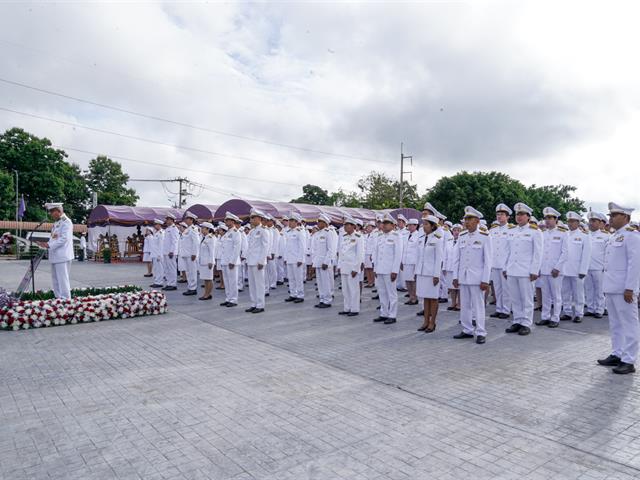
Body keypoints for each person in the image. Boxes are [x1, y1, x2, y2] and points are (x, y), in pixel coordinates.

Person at [597, 202, 640, 374]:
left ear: (626, 218)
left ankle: (629, 360)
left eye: (614, 215)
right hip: (611, 287)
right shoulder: (614, 236)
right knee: (615, 324)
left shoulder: (632, 236)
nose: (611, 218)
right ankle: (617, 353)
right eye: (610, 215)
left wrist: (630, 288)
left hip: (624, 289)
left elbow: (635, 264)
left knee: (629, 324)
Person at [452, 206, 493, 344]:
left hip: (477, 278)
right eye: (465, 219)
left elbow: (488, 261)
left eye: (469, 219)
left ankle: (481, 332)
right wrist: (455, 276)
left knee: (478, 306)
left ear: (477, 221)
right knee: (465, 305)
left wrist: (485, 280)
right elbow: (456, 258)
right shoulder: (462, 236)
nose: (466, 222)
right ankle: (467, 329)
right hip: (463, 277)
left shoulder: (485, 236)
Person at [503, 203, 543, 336]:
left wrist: (534, 270)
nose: (519, 217)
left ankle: (526, 323)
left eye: (522, 214)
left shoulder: (535, 231)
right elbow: (507, 251)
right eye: (517, 214)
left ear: (528, 217)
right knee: (515, 297)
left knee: (526, 298)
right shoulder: (511, 231)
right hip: (512, 269)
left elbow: (538, 253)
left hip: (526, 271)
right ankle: (517, 320)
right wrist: (505, 267)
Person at [536, 207, 567, 328]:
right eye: (546, 218)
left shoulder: (563, 233)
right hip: (544, 269)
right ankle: (545, 316)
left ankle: (555, 317)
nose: (547, 221)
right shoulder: (542, 234)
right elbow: (539, 253)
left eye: (550, 218)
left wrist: (558, 268)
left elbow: (565, 253)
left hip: (556, 271)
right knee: (546, 295)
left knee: (556, 295)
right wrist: (538, 268)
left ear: (556, 219)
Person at [561, 211, 591, 322]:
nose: (570, 223)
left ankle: (579, 313)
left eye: (573, 221)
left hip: (577, 269)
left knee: (578, 293)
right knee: (565, 292)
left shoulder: (584, 236)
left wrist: (583, 270)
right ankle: (567, 312)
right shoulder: (564, 234)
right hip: (564, 269)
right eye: (569, 221)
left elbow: (586, 254)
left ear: (578, 222)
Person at [373, 213, 402, 324]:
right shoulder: (379, 236)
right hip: (380, 269)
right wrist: (375, 268)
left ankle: (392, 315)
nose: (384, 225)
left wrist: (395, 270)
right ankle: (383, 313)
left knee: (391, 293)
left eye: (386, 223)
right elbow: (376, 253)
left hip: (389, 270)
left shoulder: (396, 236)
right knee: (382, 292)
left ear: (392, 225)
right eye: (383, 223)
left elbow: (398, 254)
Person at [416, 215, 443, 333]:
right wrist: (416, 271)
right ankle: (425, 321)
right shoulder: (421, 238)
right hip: (422, 272)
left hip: (431, 273)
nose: (424, 226)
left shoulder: (437, 239)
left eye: (426, 224)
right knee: (425, 298)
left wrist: (436, 274)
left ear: (433, 226)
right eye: (423, 224)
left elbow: (439, 258)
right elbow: (418, 257)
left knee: (433, 298)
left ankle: (433, 322)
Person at [44, 202, 74, 299]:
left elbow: (64, 239)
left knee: (62, 279)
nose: (51, 214)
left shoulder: (66, 222)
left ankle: (66, 299)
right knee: (55, 279)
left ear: (59, 211)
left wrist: (49, 245)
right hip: (55, 255)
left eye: (52, 211)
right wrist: (45, 245)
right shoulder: (57, 223)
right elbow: (54, 238)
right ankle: (58, 298)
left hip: (62, 256)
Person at [489, 203, 513, 319]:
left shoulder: (511, 229)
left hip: (505, 264)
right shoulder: (493, 230)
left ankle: (506, 310)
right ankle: (499, 308)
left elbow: (512, 249)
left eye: (502, 214)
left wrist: (508, 266)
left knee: (506, 289)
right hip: (495, 263)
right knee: (497, 288)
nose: (499, 216)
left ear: (508, 217)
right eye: (498, 214)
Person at [338, 217, 364, 317]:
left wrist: (356, 268)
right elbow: (341, 252)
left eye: (348, 225)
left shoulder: (358, 237)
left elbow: (359, 254)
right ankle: (347, 307)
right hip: (344, 266)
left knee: (353, 289)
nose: (345, 227)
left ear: (353, 226)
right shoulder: (344, 237)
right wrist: (339, 264)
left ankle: (354, 309)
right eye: (345, 225)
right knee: (345, 289)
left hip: (352, 267)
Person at [245, 209, 270, 313]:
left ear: (259, 218)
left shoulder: (264, 230)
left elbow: (265, 247)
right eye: (251, 218)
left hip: (258, 262)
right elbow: (249, 247)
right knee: (252, 284)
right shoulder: (252, 231)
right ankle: (253, 303)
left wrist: (261, 261)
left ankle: (260, 305)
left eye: (253, 218)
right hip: (251, 261)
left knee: (259, 284)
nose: (251, 220)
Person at [585, 212, 609, 318]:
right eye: (590, 221)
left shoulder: (605, 236)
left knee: (599, 290)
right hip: (586, 267)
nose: (591, 223)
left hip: (599, 267)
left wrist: (606, 267)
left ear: (600, 223)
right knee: (589, 289)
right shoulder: (585, 235)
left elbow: (608, 253)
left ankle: (600, 309)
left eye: (594, 221)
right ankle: (590, 308)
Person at [312, 214, 337, 308]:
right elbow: (315, 249)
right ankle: (322, 299)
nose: (318, 223)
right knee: (320, 282)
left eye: (320, 222)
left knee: (326, 282)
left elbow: (331, 249)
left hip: (324, 262)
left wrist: (326, 262)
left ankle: (327, 300)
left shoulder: (329, 232)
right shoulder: (318, 233)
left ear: (325, 223)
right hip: (318, 261)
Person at [219, 212, 242, 307]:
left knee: (232, 282)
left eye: (227, 220)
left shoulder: (236, 233)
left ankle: (233, 300)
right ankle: (228, 298)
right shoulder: (227, 233)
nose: (226, 222)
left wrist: (232, 261)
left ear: (232, 221)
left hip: (232, 262)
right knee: (227, 281)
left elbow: (237, 248)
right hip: (225, 261)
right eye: (226, 220)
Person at [284, 212, 307, 303]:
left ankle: (300, 295)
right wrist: (286, 258)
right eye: (289, 220)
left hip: (297, 259)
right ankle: (293, 294)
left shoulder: (300, 231)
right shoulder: (288, 232)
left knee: (298, 278)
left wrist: (300, 259)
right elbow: (287, 247)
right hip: (290, 258)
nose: (290, 222)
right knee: (291, 278)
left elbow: (302, 246)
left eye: (292, 221)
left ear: (296, 222)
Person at [181, 212, 200, 296]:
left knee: (192, 272)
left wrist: (194, 253)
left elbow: (196, 242)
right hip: (186, 254)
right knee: (188, 272)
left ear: (191, 220)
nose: (186, 220)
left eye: (187, 219)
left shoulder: (193, 229)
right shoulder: (187, 230)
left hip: (191, 254)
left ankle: (193, 288)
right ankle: (190, 287)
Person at [402, 218, 420, 305]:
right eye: (408, 225)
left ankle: (414, 298)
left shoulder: (419, 235)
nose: (409, 227)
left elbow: (418, 251)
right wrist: (402, 261)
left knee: (413, 281)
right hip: (406, 261)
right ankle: (410, 297)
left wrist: (417, 263)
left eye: (411, 225)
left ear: (416, 226)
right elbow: (403, 249)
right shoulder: (406, 235)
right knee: (407, 280)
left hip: (413, 262)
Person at [198, 222, 216, 301]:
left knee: (209, 279)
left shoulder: (210, 238)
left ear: (208, 229)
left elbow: (212, 251)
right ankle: (206, 293)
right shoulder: (204, 237)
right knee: (205, 279)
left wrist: (211, 261)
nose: (201, 230)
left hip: (208, 262)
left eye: (203, 228)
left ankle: (208, 294)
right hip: (203, 261)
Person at [161, 213, 179, 291]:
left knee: (172, 268)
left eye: (168, 219)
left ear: (172, 220)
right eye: (166, 219)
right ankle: (169, 283)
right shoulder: (168, 229)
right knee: (167, 268)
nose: (167, 221)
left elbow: (174, 241)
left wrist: (172, 251)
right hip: (166, 252)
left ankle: (173, 284)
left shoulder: (174, 228)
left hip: (170, 252)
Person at [149, 220, 165, 288]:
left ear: (159, 225)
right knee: (156, 269)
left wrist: (159, 255)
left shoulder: (161, 233)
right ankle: (156, 281)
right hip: (154, 254)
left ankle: (159, 282)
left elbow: (161, 245)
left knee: (159, 269)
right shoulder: (156, 233)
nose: (155, 226)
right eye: (154, 225)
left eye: (156, 225)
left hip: (158, 254)